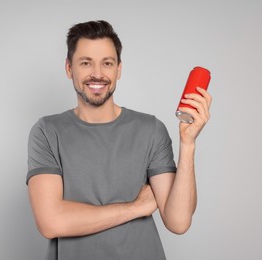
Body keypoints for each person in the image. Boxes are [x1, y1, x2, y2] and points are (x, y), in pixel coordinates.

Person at [26, 20, 212, 260]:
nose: (97, 74)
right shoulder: (47, 131)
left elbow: (178, 222)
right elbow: (51, 222)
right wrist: (135, 208)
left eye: (107, 63)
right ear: (69, 68)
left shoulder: (151, 130)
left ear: (119, 69)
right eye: (86, 63)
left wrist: (188, 144)